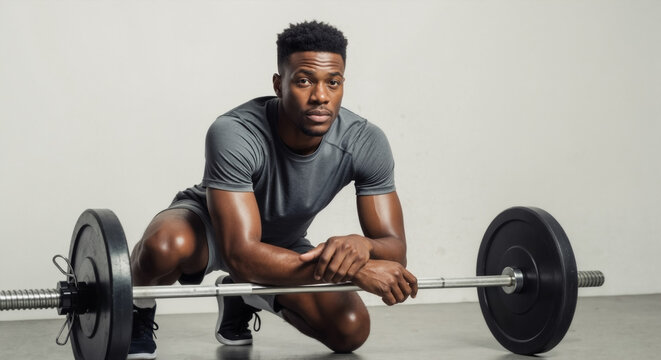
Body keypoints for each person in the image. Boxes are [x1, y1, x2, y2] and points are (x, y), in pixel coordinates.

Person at [127, 20, 418, 360]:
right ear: (279, 85)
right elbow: (239, 254)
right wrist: (353, 269)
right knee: (164, 247)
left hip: (282, 242)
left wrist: (363, 246)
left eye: (333, 83)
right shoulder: (234, 132)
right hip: (210, 229)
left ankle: (243, 295)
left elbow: (395, 253)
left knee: (350, 329)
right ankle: (136, 310)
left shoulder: (366, 141)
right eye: (304, 81)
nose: (320, 96)